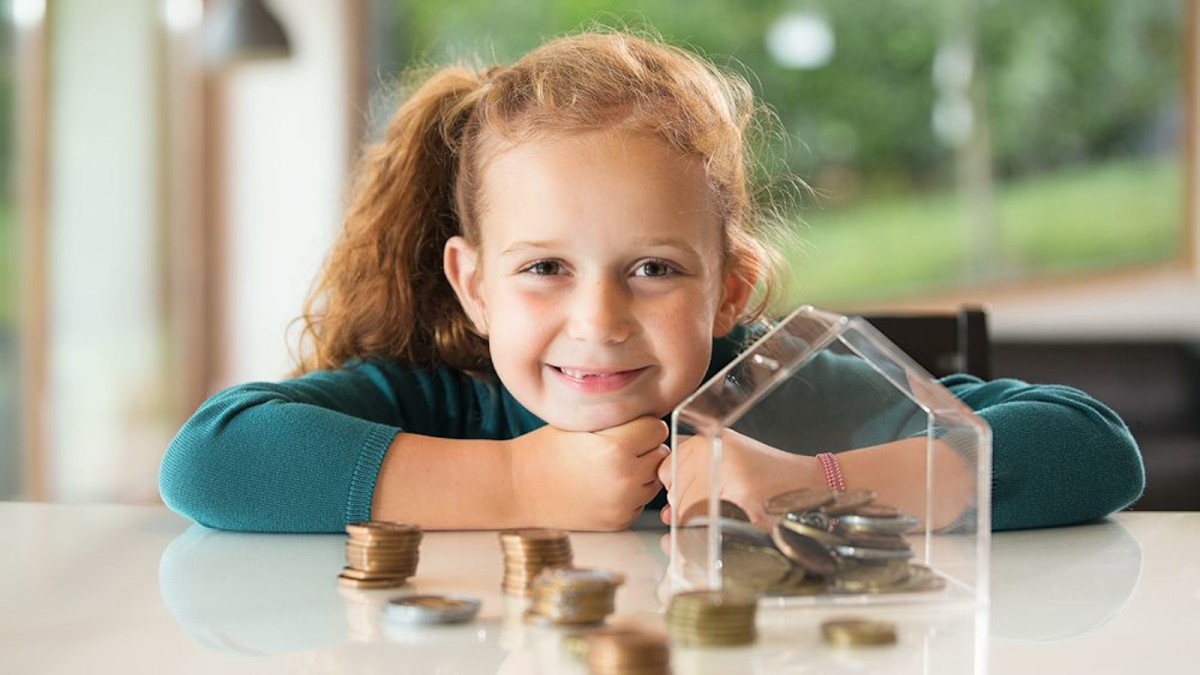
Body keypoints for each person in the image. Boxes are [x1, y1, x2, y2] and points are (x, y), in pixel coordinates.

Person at [158, 29, 1144, 534]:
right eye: (544, 268)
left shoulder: (787, 391)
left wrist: (812, 485)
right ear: (473, 287)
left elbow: (1093, 452)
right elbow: (209, 463)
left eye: (654, 269)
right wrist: (514, 481)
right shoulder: (437, 401)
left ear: (728, 288)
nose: (599, 320)